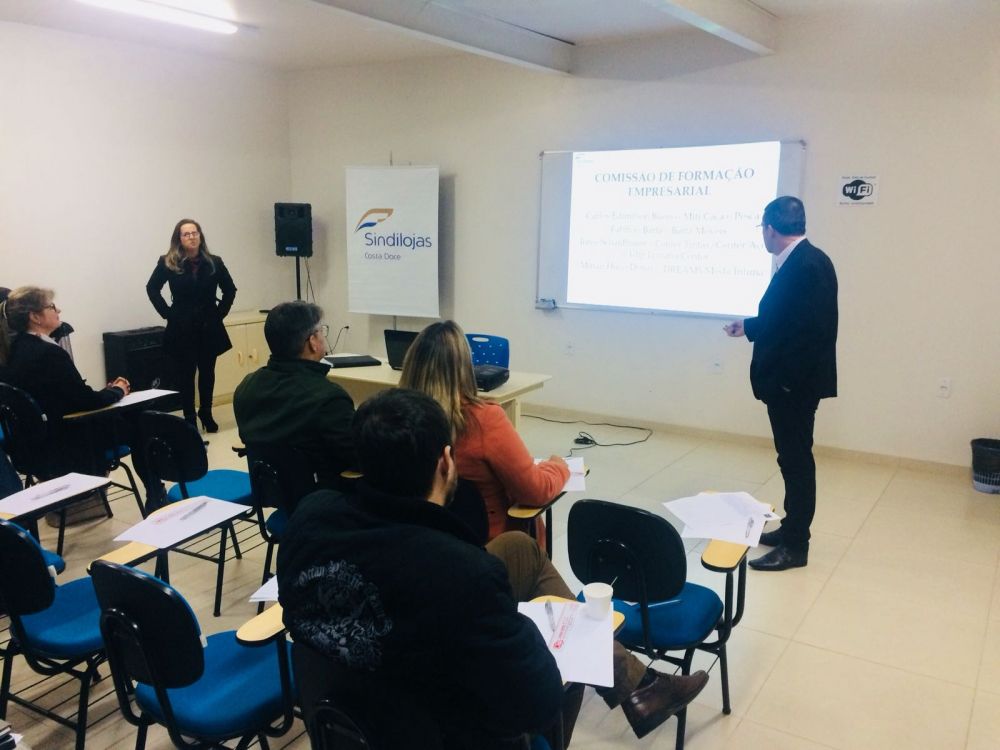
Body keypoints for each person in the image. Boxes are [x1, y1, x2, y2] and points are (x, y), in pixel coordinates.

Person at [277, 388, 708, 748]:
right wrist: (530, 633)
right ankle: (631, 682)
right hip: (442, 734)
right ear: (446, 463)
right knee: (567, 660)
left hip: (343, 723)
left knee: (518, 547)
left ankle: (636, 683)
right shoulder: (463, 573)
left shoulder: (311, 519)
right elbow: (538, 703)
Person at [724, 196, 838, 571]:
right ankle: (790, 529)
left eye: (762, 229)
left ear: (770, 229)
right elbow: (786, 319)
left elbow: (812, 334)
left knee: (797, 461)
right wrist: (749, 326)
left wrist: (788, 383)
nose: (763, 235)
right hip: (788, 384)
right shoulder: (799, 261)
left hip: (794, 387)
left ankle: (796, 546)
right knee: (789, 459)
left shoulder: (809, 265)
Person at [400, 320, 568, 549]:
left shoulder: (396, 421)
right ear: (465, 368)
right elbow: (536, 491)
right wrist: (557, 467)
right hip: (491, 547)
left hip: (421, 543)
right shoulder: (484, 420)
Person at [0, 286, 159, 505]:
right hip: (70, 442)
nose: (58, 310)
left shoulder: (11, 352)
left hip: (34, 447)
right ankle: (156, 494)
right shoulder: (48, 353)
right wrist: (118, 390)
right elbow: (86, 402)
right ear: (35, 317)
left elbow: (64, 396)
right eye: (51, 306)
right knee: (141, 421)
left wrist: (106, 393)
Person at [233, 301, 356, 490]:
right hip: (324, 499)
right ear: (313, 342)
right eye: (322, 331)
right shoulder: (329, 399)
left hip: (270, 494)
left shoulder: (246, 387)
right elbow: (358, 458)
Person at [146, 218, 237, 433]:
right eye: (186, 234)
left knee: (207, 372)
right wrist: (167, 313)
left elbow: (230, 289)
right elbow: (152, 288)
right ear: (179, 239)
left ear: (200, 236)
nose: (191, 237)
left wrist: (219, 314)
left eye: (195, 233)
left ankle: (206, 411)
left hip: (208, 325)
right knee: (186, 374)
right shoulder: (168, 262)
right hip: (181, 326)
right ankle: (189, 416)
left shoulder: (214, 262)